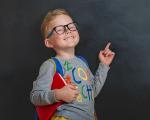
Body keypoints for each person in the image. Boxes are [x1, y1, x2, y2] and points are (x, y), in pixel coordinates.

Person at [30, 8, 115, 120]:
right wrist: (58, 94)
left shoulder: (82, 62)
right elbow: (35, 97)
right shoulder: (51, 65)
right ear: (49, 42)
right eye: (60, 29)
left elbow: (92, 93)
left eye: (71, 26)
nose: (68, 30)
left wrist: (103, 65)